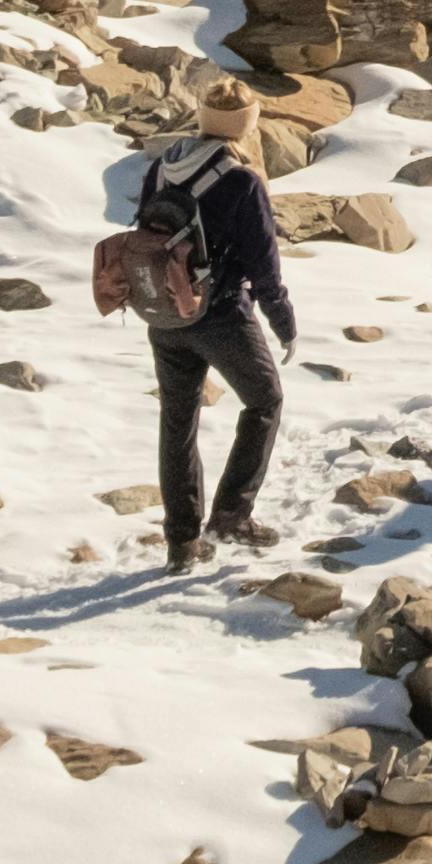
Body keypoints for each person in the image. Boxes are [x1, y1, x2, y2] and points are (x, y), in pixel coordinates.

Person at [135, 76, 297, 571]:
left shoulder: (164, 168)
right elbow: (263, 262)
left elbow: (142, 229)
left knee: (178, 421)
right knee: (265, 401)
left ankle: (181, 543)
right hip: (221, 314)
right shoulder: (240, 179)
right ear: (247, 125)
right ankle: (232, 513)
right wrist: (282, 320)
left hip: (164, 314)